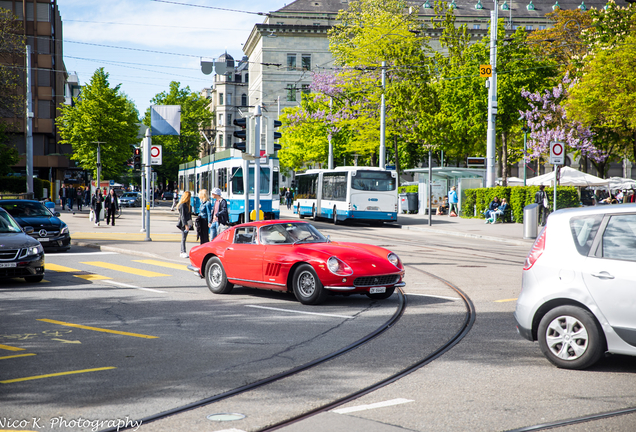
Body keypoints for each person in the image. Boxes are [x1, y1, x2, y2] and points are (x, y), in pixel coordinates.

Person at [177, 191, 192, 258]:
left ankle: (182, 251)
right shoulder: (183, 205)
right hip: (184, 224)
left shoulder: (187, 205)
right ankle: (183, 251)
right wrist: (186, 225)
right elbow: (182, 216)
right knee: (183, 238)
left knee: (184, 237)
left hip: (186, 223)